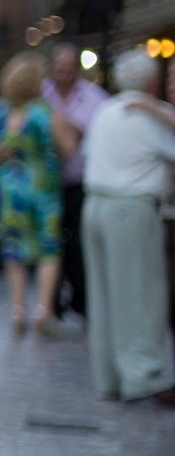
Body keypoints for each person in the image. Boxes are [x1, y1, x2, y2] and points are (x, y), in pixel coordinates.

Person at [81, 49, 175, 406]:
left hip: (97, 204)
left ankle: (109, 377)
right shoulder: (149, 114)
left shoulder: (105, 111)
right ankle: (140, 376)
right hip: (129, 207)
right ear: (151, 80)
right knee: (137, 295)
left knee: (104, 297)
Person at [0, 51, 75, 338]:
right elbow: (69, 147)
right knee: (48, 249)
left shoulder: (3, 110)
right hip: (43, 189)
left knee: (14, 248)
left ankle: (17, 310)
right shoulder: (43, 111)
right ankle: (43, 310)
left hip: (11, 187)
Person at [41, 42, 108, 322]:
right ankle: (51, 303)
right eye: (59, 66)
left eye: (68, 67)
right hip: (46, 183)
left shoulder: (96, 98)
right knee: (50, 243)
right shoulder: (41, 92)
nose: (63, 72)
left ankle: (81, 301)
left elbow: (94, 136)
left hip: (79, 181)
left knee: (79, 245)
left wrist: (64, 127)